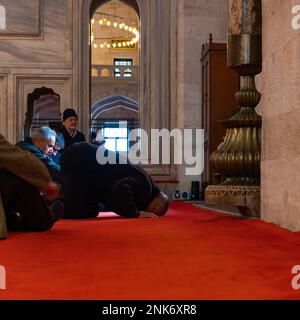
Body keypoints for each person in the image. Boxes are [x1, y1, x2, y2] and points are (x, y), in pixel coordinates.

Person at [61, 142, 169, 219]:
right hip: (79, 159)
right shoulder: (145, 186)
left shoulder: (145, 184)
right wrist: (135, 214)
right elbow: (120, 189)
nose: (149, 213)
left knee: (91, 211)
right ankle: (50, 208)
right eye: (154, 212)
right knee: (78, 212)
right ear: (156, 205)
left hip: (81, 160)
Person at [0, 133, 63, 239]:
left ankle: (10, 218)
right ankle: (44, 219)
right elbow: (23, 161)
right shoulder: (29, 149)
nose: (52, 150)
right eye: (50, 146)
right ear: (40, 142)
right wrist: (46, 182)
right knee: (21, 173)